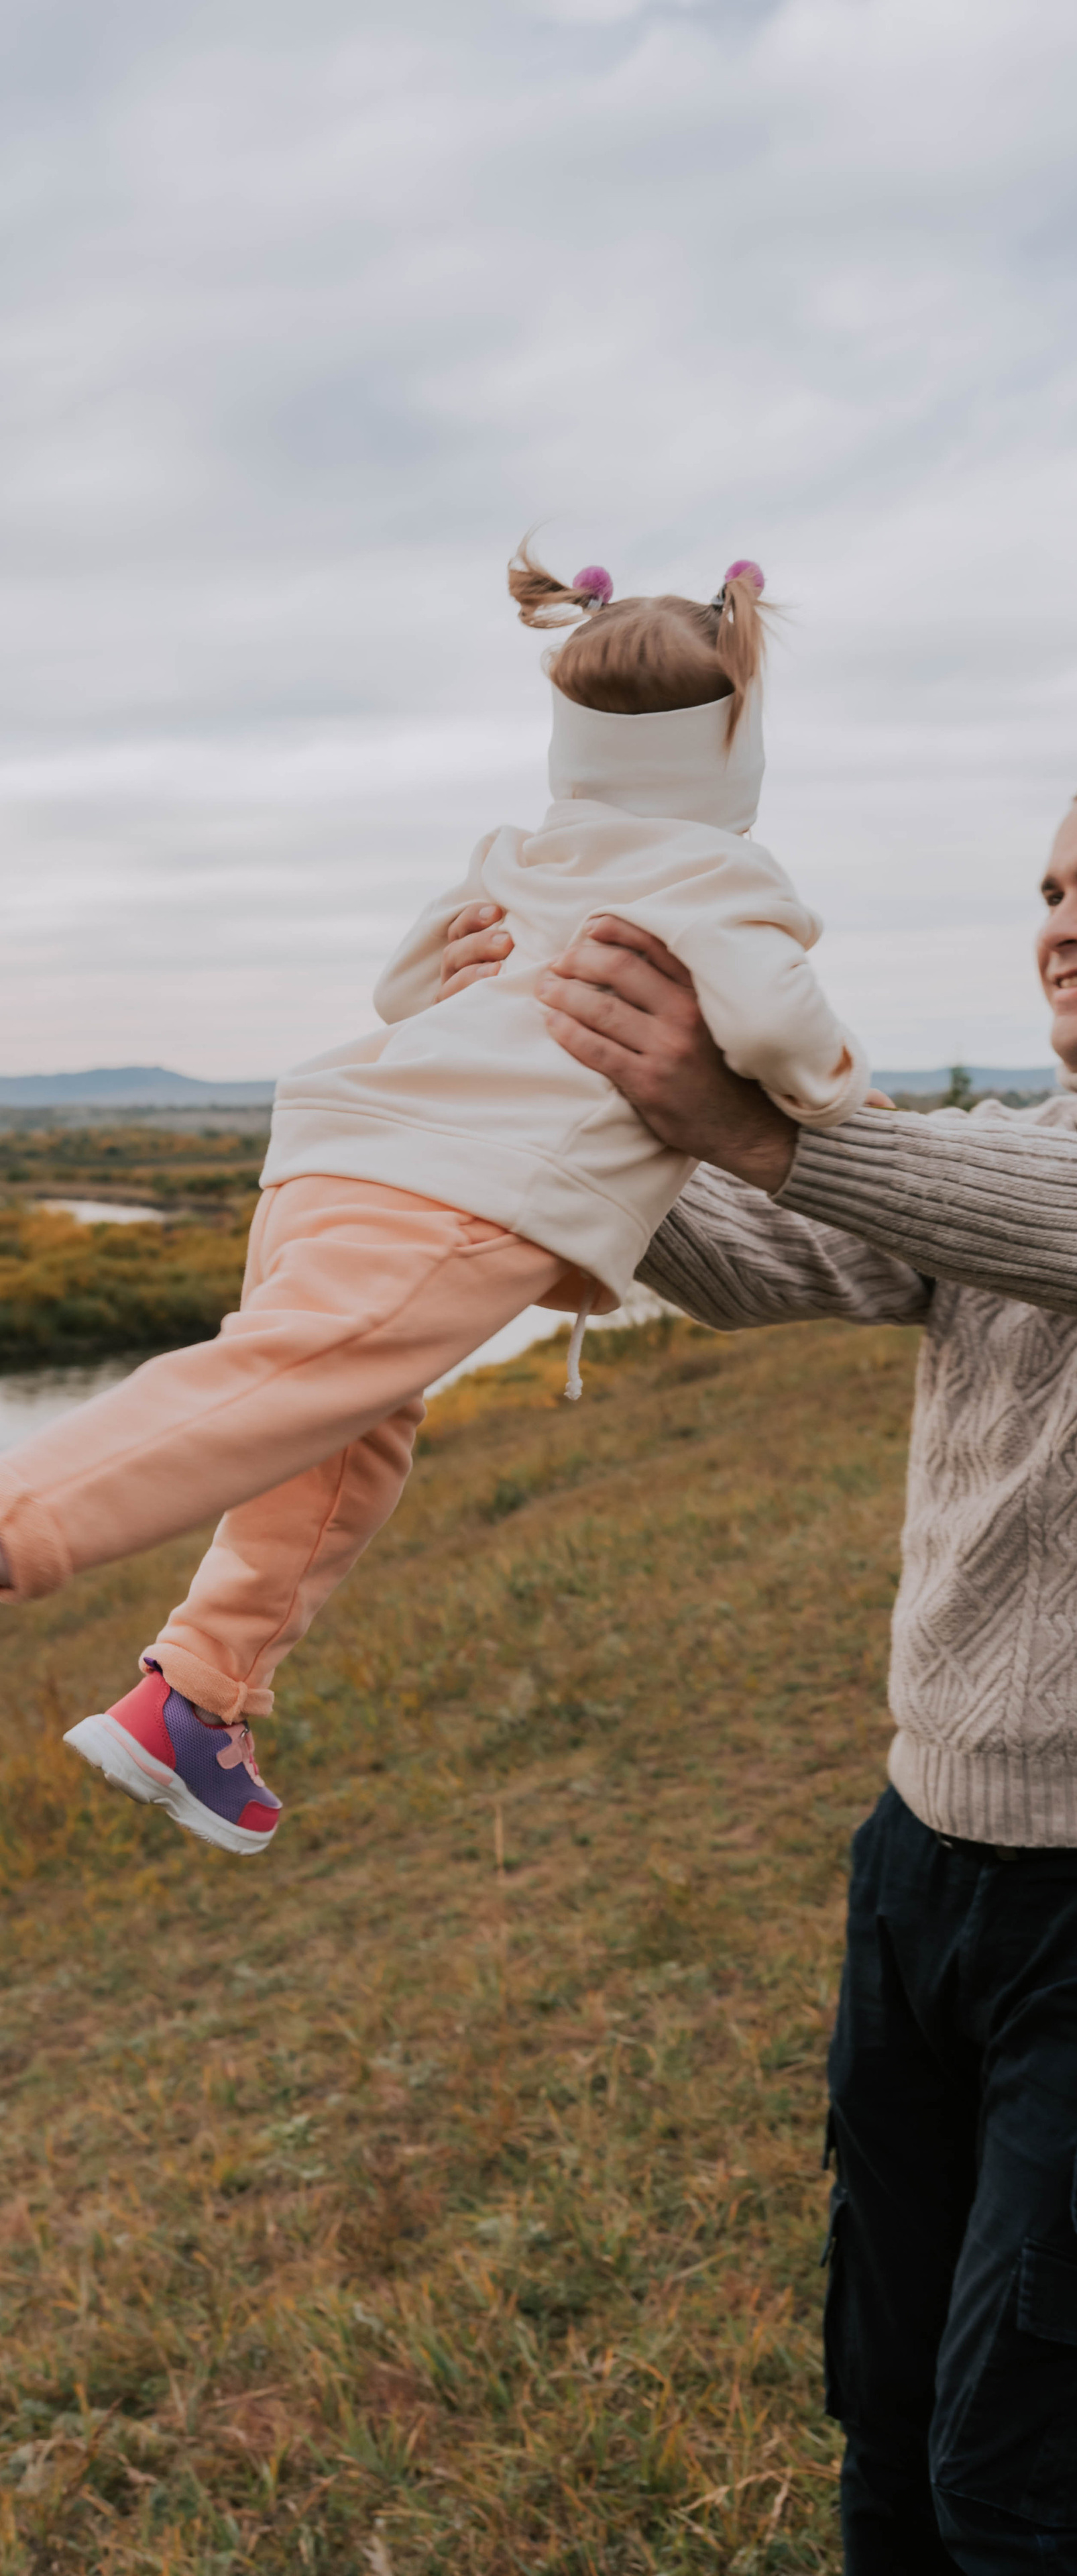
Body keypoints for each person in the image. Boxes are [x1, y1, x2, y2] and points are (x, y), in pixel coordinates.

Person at [440, 749, 1077, 2575]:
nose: (1064, 925)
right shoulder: (1000, 1162)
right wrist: (536, 1059)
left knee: (1026, 2483)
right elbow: (753, 1256)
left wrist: (770, 1125)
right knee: (888, 2419)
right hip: (922, 1866)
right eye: (1051, 892)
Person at [0, 551, 866, 1856]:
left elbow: (409, 985)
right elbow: (769, 1020)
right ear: (732, 751)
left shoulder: (519, 851)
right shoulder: (718, 878)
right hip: (451, 1198)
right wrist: (834, 1093)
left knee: (348, 1426)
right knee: (283, 1385)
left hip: (334, 1156)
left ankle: (195, 1701)